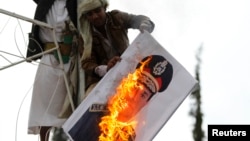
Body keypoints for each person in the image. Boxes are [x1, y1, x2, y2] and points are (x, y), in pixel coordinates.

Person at [67, 55, 173, 141]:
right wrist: (108, 71)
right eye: (135, 87)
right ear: (126, 84)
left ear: (145, 103)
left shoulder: (128, 138)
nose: (133, 97)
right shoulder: (92, 112)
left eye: (143, 95)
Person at [77, 0, 155, 100]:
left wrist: (144, 24)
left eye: (97, 11)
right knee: (91, 101)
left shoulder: (116, 17)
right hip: (100, 80)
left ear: (104, 8)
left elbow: (136, 19)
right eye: (90, 14)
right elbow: (87, 62)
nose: (95, 16)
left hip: (128, 71)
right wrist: (105, 69)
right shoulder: (84, 36)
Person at [26, 0, 78, 141]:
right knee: (45, 103)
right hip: (49, 58)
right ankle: (44, 138)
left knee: (71, 105)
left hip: (72, 60)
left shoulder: (76, 3)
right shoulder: (45, 1)